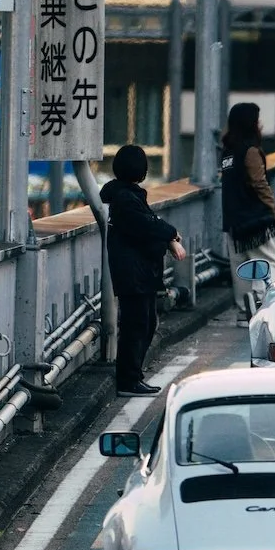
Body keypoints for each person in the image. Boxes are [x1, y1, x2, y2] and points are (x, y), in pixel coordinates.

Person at [100, 144, 185, 394]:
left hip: (138, 273)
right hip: (134, 273)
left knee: (143, 324)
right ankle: (128, 380)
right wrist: (171, 235)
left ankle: (133, 376)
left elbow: (149, 223)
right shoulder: (126, 198)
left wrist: (167, 236)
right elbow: (146, 225)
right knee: (136, 326)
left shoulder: (125, 194)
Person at [218, 102, 275, 319]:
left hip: (234, 221)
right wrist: (272, 209)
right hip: (256, 221)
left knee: (241, 269)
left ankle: (245, 312)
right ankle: (267, 308)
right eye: (257, 120)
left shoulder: (228, 153)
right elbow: (259, 183)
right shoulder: (250, 151)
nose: (260, 124)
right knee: (268, 263)